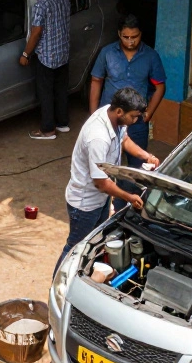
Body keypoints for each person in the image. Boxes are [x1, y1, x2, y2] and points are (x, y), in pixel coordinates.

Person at [55, 88, 160, 272]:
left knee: (95, 243)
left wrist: (146, 156)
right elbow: (101, 183)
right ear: (120, 111)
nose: (135, 121)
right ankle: (58, 286)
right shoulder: (98, 137)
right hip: (85, 204)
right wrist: (129, 197)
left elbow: (124, 140)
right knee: (74, 249)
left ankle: (84, 276)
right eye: (133, 117)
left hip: (101, 199)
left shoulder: (113, 117)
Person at [89, 15, 166, 166]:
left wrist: (148, 114)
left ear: (141, 34)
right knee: (105, 165)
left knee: (137, 166)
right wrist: (93, 114)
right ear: (119, 34)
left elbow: (160, 87)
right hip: (109, 119)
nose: (130, 41)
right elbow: (96, 81)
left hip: (137, 122)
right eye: (126, 37)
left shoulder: (151, 56)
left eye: (134, 37)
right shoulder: (107, 52)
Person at [21, 0, 72, 140]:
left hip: (47, 57)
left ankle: (48, 130)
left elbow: (36, 32)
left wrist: (26, 54)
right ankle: (62, 123)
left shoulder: (41, 4)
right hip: (63, 53)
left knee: (46, 94)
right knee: (60, 90)